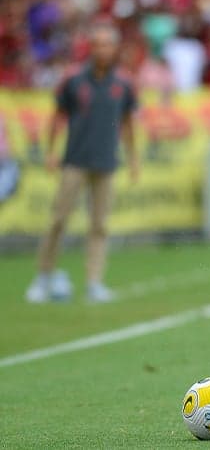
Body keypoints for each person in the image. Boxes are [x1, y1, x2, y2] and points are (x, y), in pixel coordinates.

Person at [25, 22, 140, 304]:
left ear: (115, 49)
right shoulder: (74, 79)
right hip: (74, 160)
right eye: (98, 43)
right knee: (58, 220)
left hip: (107, 162)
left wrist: (133, 158)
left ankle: (94, 282)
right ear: (90, 47)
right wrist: (51, 151)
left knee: (100, 225)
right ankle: (43, 277)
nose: (103, 49)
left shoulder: (123, 83)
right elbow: (57, 115)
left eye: (108, 44)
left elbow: (127, 124)